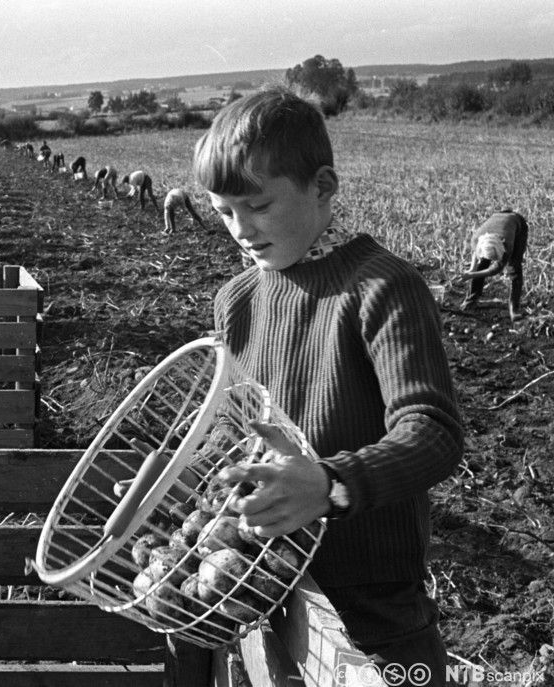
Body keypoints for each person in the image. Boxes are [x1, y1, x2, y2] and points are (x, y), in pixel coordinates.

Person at [194, 86, 463, 685]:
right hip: (260, 583)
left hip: (370, 600)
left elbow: (434, 434)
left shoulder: (380, 288)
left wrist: (330, 485)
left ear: (323, 187)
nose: (240, 228)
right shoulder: (236, 302)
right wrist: (187, 479)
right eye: (222, 211)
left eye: (257, 205)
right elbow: (237, 433)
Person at [458, 209, 528, 322]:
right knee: (482, 263)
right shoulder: (476, 239)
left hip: (517, 222)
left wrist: (471, 275)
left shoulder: (507, 244)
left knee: (514, 269)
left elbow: (493, 270)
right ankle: (471, 300)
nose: (494, 260)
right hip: (498, 217)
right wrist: (471, 270)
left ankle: (513, 309)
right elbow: (476, 253)